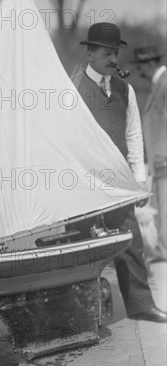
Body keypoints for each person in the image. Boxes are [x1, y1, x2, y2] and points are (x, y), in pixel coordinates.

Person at [71, 22, 166, 323]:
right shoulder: (72, 89)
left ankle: (141, 305)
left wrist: (139, 179)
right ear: (90, 54)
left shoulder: (125, 89)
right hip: (83, 183)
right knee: (81, 248)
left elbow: (134, 134)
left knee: (130, 241)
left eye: (116, 52)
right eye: (108, 53)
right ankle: (82, 315)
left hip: (119, 183)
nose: (114, 59)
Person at [132, 46, 167, 262]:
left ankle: (163, 251)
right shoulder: (158, 85)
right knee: (160, 207)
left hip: (163, 158)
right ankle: (161, 250)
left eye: (141, 66)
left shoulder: (164, 84)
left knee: (165, 207)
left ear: (151, 63)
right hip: (157, 159)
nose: (140, 71)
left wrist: (163, 153)